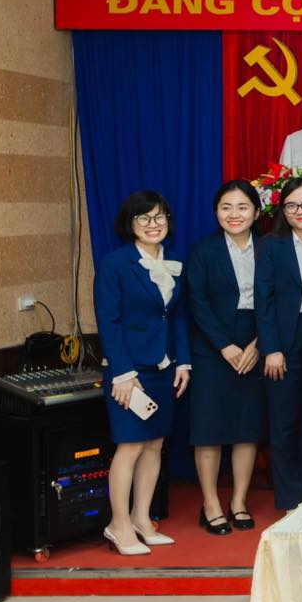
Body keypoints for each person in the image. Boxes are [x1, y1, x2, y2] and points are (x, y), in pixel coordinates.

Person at [93, 191, 190, 555]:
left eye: (159, 216)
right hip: (130, 372)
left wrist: (183, 361)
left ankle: (141, 518)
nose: (153, 224)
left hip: (164, 367)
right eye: (144, 218)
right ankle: (118, 525)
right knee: (130, 445)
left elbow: (177, 317)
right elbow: (109, 321)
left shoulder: (174, 261)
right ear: (129, 224)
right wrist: (123, 374)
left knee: (155, 444)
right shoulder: (115, 264)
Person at [186, 180, 267, 534]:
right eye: (226, 207)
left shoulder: (269, 248)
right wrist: (224, 345)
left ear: (257, 212)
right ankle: (211, 504)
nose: (234, 214)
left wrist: (260, 343)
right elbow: (197, 302)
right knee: (209, 429)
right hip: (212, 347)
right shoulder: (203, 251)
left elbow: (280, 298)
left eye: (242, 207)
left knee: (247, 428)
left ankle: (239, 501)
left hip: (256, 341)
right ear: (216, 212)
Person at [255, 175, 302, 511]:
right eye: (292, 205)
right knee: (284, 421)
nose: (301, 210)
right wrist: (271, 348)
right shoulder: (272, 246)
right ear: (283, 211)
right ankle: (288, 498)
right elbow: (264, 300)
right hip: (286, 338)